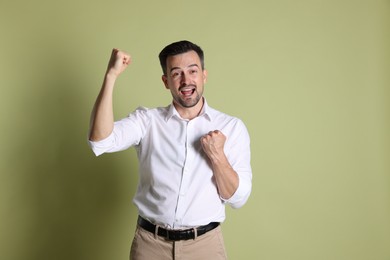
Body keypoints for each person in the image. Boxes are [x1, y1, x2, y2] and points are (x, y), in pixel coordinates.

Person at [88, 40, 252, 260]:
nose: (186, 81)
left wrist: (217, 155)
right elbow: (100, 141)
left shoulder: (231, 127)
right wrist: (111, 76)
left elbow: (238, 199)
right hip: (150, 246)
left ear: (204, 75)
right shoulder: (147, 121)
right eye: (176, 74)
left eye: (192, 71)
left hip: (205, 247)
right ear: (166, 82)